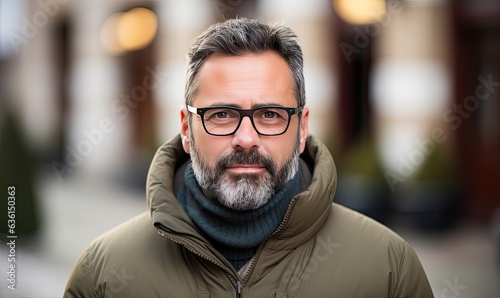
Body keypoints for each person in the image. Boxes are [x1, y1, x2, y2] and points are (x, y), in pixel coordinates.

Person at [64, 18, 434, 297]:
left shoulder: (388, 270)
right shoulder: (104, 274)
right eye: (221, 114)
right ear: (186, 129)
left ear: (302, 129)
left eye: (270, 114)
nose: (246, 138)